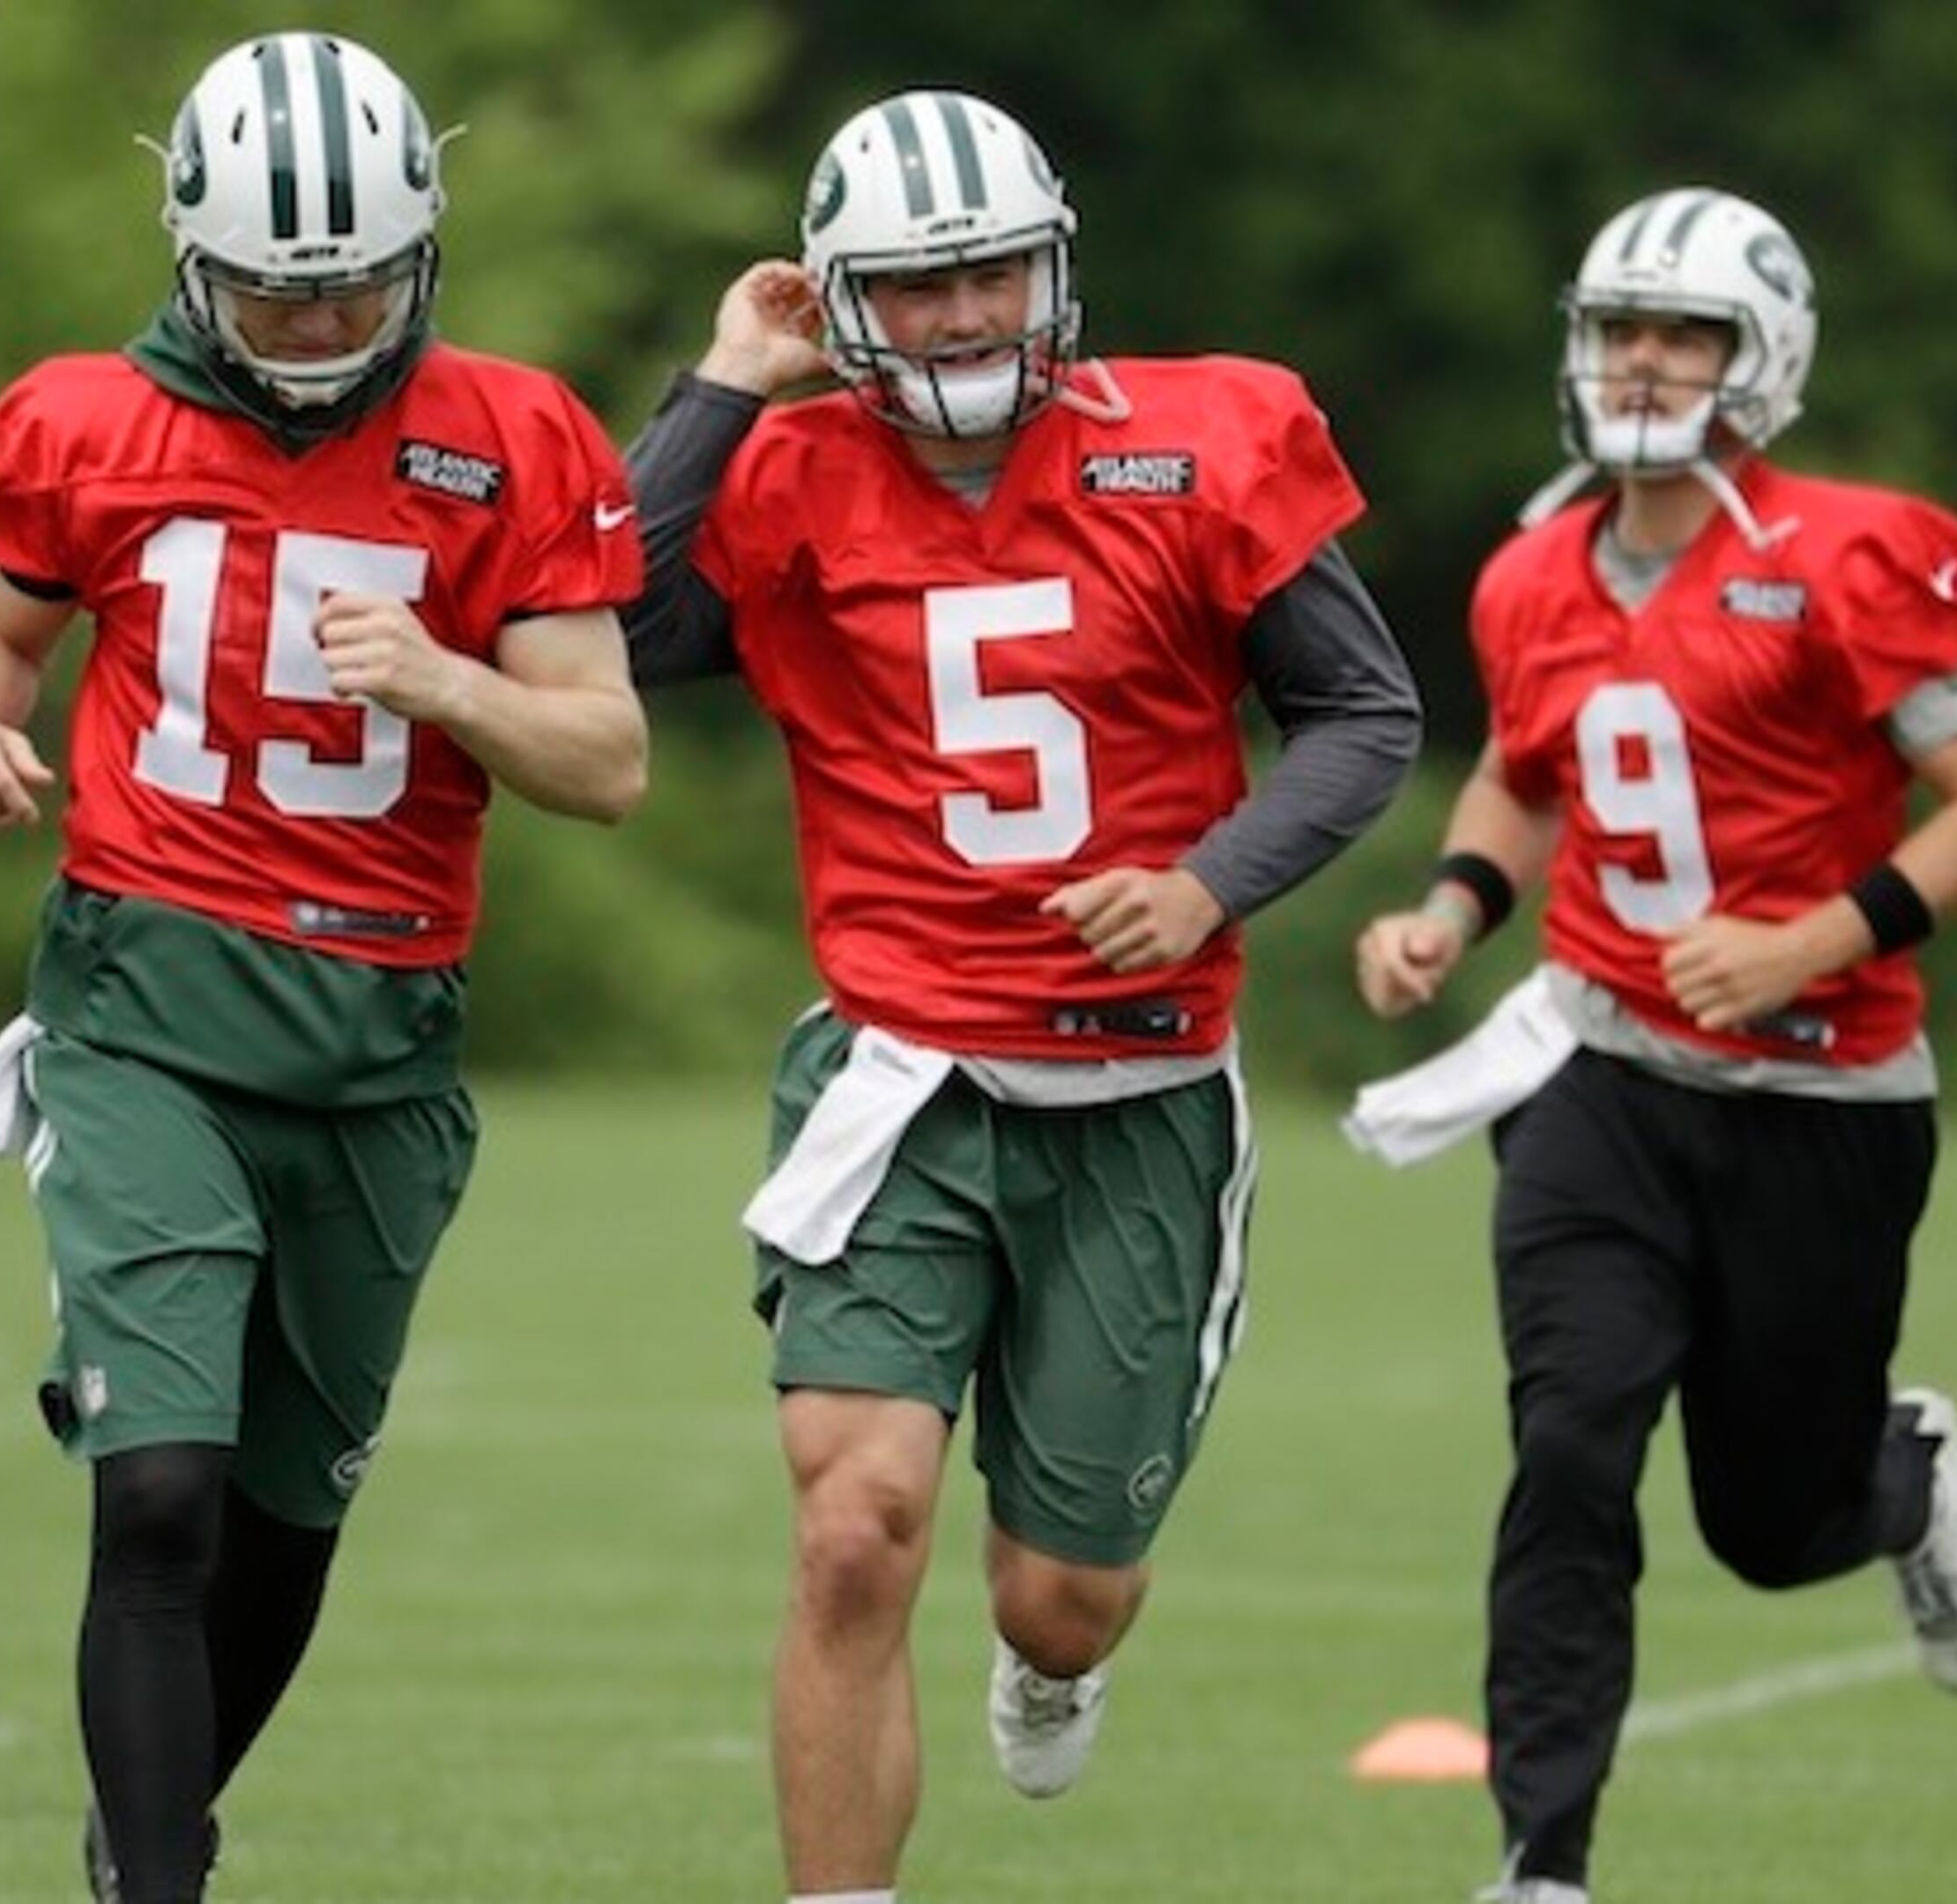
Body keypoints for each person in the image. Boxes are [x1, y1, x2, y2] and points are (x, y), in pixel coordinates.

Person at [618, 88, 1423, 1904]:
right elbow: (603, 623)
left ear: (1053, 264)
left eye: (992, 271)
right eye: (916, 287)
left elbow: (1365, 713)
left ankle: (1056, 1655)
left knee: (1062, 1595)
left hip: (1137, 1095)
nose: (968, 314)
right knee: (852, 1531)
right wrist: (724, 383)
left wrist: (1206, 879)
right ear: (838, 304)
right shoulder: (786, 464)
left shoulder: (1209, 440)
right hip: (896, 1071)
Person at [0, 32, 647, 1904]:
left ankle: (143, 1825)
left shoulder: (514, 436)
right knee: (156, 1487)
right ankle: (159, 1884)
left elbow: (607, 762)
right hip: (143, 1009)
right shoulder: (88, 422)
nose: (314, 333)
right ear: (187, 253)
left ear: (422, 253)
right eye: (270, 292)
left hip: (383, 1043)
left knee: (287, 1516)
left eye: (351, 292)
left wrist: (447, 678)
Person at [1346, 186, 1957, 1904]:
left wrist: (1812, 938)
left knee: (1767, 1521)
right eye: (1621, 328)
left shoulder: (1857, 553)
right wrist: (1452, 908)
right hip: (1598, 1077)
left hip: (1827, 1095)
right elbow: (1531, 768)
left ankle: (1897, 1476)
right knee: (1575, 1439)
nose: (1646, 363)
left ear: (1766, 360)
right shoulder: (1533, 569)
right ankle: (1541, 1865)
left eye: (1687, 333)